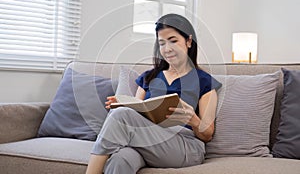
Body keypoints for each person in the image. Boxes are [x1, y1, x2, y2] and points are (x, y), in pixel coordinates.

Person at [85, 13, 222, 174]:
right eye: (162, 43)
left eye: (173, 40)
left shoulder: (204, 81)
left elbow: (207, 135)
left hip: (185, 145)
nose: (167, 49)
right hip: (147, 141)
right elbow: (134, 116)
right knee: (120, 159)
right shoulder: (149, 77)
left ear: (189, 41)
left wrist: (193, 120)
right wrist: (126, 104)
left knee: (120, 115)